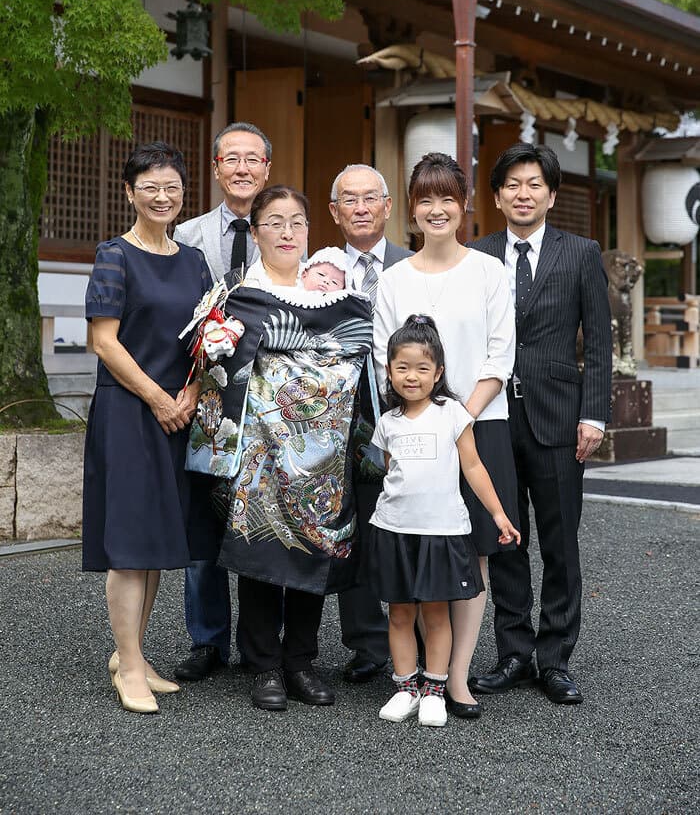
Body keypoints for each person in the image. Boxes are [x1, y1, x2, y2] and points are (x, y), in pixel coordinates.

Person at [186, 185, 375, 711]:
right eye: (274, 222)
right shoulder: (236, 292)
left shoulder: (337, 295)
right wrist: (219, 347)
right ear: (255, 232)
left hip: (322, 455)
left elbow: (360, 363)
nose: (287, 232)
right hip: (259, 452)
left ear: (310, 231)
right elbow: (211, 369)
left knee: (315, 548)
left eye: (296, 221)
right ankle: (264, 664)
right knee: (261, 550)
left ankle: (302, 661)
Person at [373, 152, 518, 718]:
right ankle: (414, 677)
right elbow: (380, 357)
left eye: (447, 199)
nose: (437, 209)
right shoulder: (393, 279)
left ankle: (454, 677)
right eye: (425, 199)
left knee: (473, 552)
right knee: (420, 547)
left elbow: (498, 354)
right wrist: (425, 417)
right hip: (411, 435)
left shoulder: (489, 272)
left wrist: (457, 415)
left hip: (481, 426)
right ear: (411, 210)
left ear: (464, 206)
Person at [469, 143, 612, 705]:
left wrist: (594, 415)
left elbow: (599, 342)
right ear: (498, 195)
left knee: (560, 543)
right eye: (512, 185)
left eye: (534, 185)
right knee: (504, 538)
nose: (522, 194)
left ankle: (554, 658)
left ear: (551, 194)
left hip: (558, 417)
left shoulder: (580, 253)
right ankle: (512, 652)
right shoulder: (476, 255)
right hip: (496, 417)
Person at [82, 141, 211, 713]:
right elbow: (103, 340)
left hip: (179, 412)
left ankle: (133, 653)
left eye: (172, 187)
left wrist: (192, 392)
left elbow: (209, 337)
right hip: (130, 411)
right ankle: (128, 665)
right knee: (131, 545)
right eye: (150, 187)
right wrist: (160, 398)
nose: (163, 197)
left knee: (160, 541)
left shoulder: (195, 260)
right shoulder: (115, 255)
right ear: (130, 192)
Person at [369, 315, 520, 727]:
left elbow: (473, 467)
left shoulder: (453, 413)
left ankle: (435, 688)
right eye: (402, 367)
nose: (411, 376)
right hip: (395, 529)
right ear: (389, 370)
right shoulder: (387, 423)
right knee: (400, 613)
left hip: (442, 532)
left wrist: (498, 513)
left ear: (438, 373)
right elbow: (389, 471)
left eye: (422, 368)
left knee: (436, 614)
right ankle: (405, 687)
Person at [173, 121, 271, 683]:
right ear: (216, 168)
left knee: (266, 518)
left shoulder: (287, 232)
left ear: (267, 169)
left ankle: (265, 642)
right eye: (231, 158)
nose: (241, 168)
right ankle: (207, 639)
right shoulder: (186, 235)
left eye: (252, 159)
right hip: (205, 399)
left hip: (266, 403)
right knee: (202, 524)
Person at [329, 164, 412, 685]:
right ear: (334, 212)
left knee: (410, 521)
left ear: (387, 207)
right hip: (340, 418)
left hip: (406, 412)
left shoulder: (414, 264)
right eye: (348, 200)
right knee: (350, 525)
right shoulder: (319, 267)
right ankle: (366, 643)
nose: (360, 208)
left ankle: (421, 636)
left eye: (370, 199)